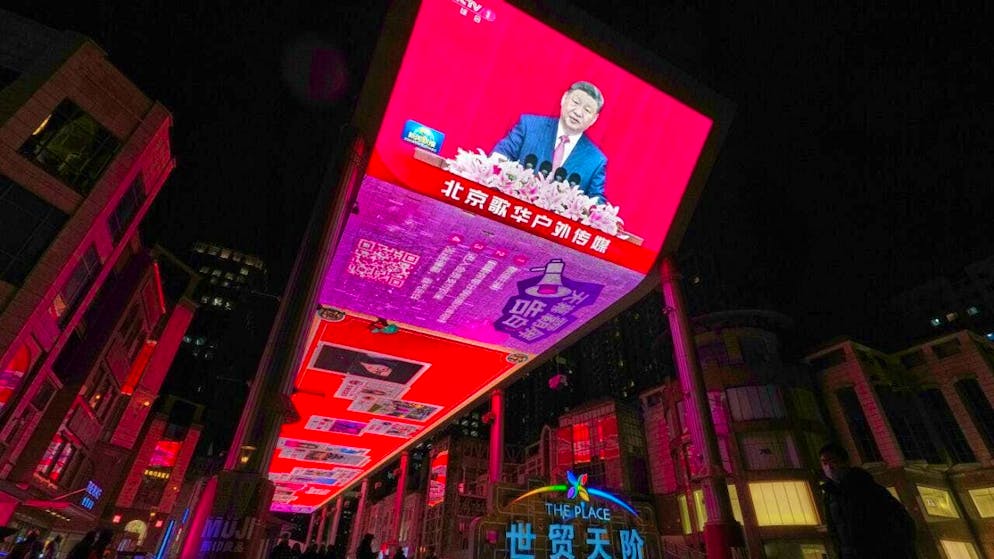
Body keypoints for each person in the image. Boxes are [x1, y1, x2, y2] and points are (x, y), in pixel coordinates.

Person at [493, 81, 608, 202]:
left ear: (594, 119)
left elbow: (597, 201)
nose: (578, 113)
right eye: (575, 102)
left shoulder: (596, 161)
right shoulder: (529, 126)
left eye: (587, 110)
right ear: (564, 99)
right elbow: (501, 155)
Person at [819, 442, 917, 558]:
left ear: (845, 462)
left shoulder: (868, 489)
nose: (829, 467)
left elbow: (903, 523)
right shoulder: (829, 497)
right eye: (824, 463)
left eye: (833, 461)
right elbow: (834, 533)